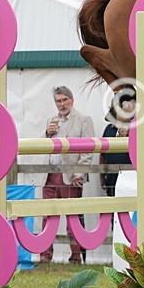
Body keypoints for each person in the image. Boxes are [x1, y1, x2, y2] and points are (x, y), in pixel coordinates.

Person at [40, 86, 95, 263]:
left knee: (73, 218)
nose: (62, 104)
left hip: (71, 176)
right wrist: (47, 134)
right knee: (47, 216)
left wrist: (80, 173)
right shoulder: (51, 120)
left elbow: (88, 150)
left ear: (72, 100)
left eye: (65, 100)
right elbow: (43, 146)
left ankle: (76, 257)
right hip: (49, 174)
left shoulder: (84, 120)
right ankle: (45, 256)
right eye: (58, 101)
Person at [100, 91, 134, 197]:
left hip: (131, 178)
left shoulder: (136, 130)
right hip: (112, 177)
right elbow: (102, 154)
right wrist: (102, 175)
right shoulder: (108, 129)